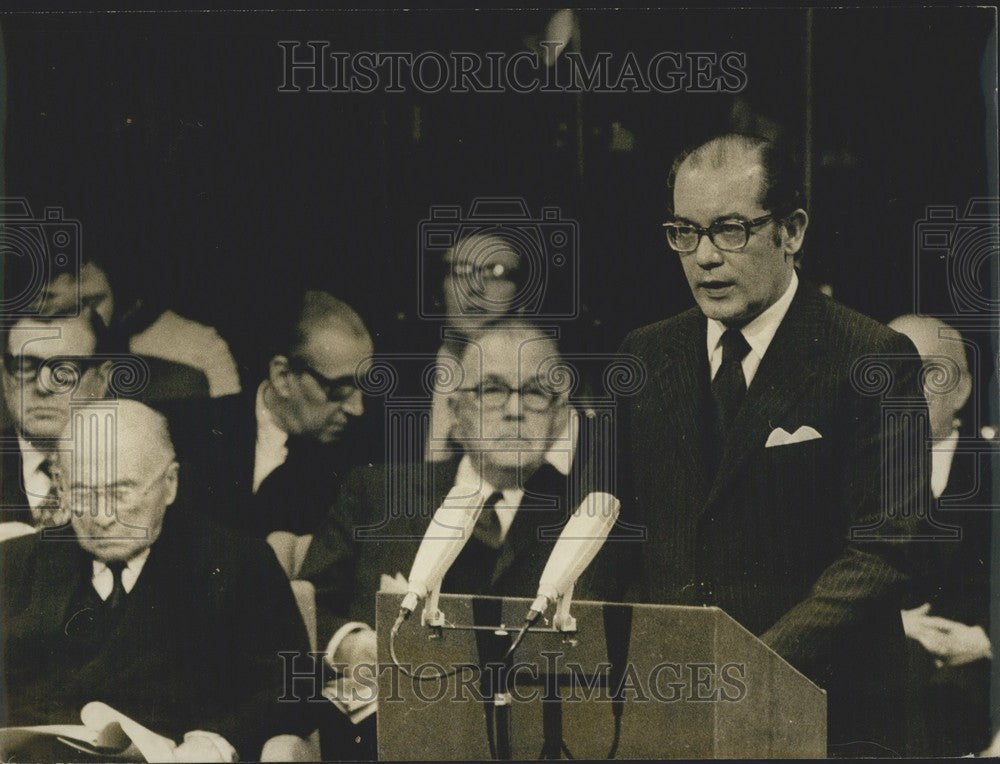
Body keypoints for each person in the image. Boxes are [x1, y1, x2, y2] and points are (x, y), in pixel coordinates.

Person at [610, 132, 930, 756]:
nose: (705, 257)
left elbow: (885, 549)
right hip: (674, 714)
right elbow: (616, 530)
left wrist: (747, 667)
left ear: (793, 231)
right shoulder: (644, 356)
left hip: (828, 716)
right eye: (685, 232)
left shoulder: (871, 357)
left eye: (730, 230)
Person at [300, 319, 608, 759]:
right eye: (492, 390)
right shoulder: (378, 493)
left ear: (560, 414)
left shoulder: (589, 520)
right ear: (457, 409)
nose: (515, 410)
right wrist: (351, 644)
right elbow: (303, 608)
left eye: (536, 393)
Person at [0, 399, 314, 761]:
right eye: (83, 494)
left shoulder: (236, 564)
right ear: (60, 485)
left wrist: (218, 739)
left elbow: (296, 689)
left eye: (121, 493)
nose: (102, 517)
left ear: (170, 483)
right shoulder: (15, 566)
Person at [168, 290, 374, 537]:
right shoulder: (187, 429)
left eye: (364, 386)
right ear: (282, 377)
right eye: (341, 388)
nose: (357, 408)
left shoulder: (359, 466)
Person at [890, 314, 993, 756]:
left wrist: (986, 641)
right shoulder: (841, 478)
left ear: (962, 389)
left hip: (979, 677)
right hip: (885, 673)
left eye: (928, 371)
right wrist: (895, 626)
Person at [31, 255, 239, 400]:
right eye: (68, 309)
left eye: (91, 303)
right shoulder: (35, 355)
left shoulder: (199, 345)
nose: (84, 317)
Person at [0, 313, 112, 532]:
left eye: (64, 369)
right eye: (25, 366)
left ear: (102, 380)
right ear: (5, 378)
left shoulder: (143, 467)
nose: (43, 386)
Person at [425, 233, 526, 461]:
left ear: (521, 297)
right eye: (461, 271)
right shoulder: (399, 374)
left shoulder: (541, 386)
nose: (475, 287)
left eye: (495, 272)